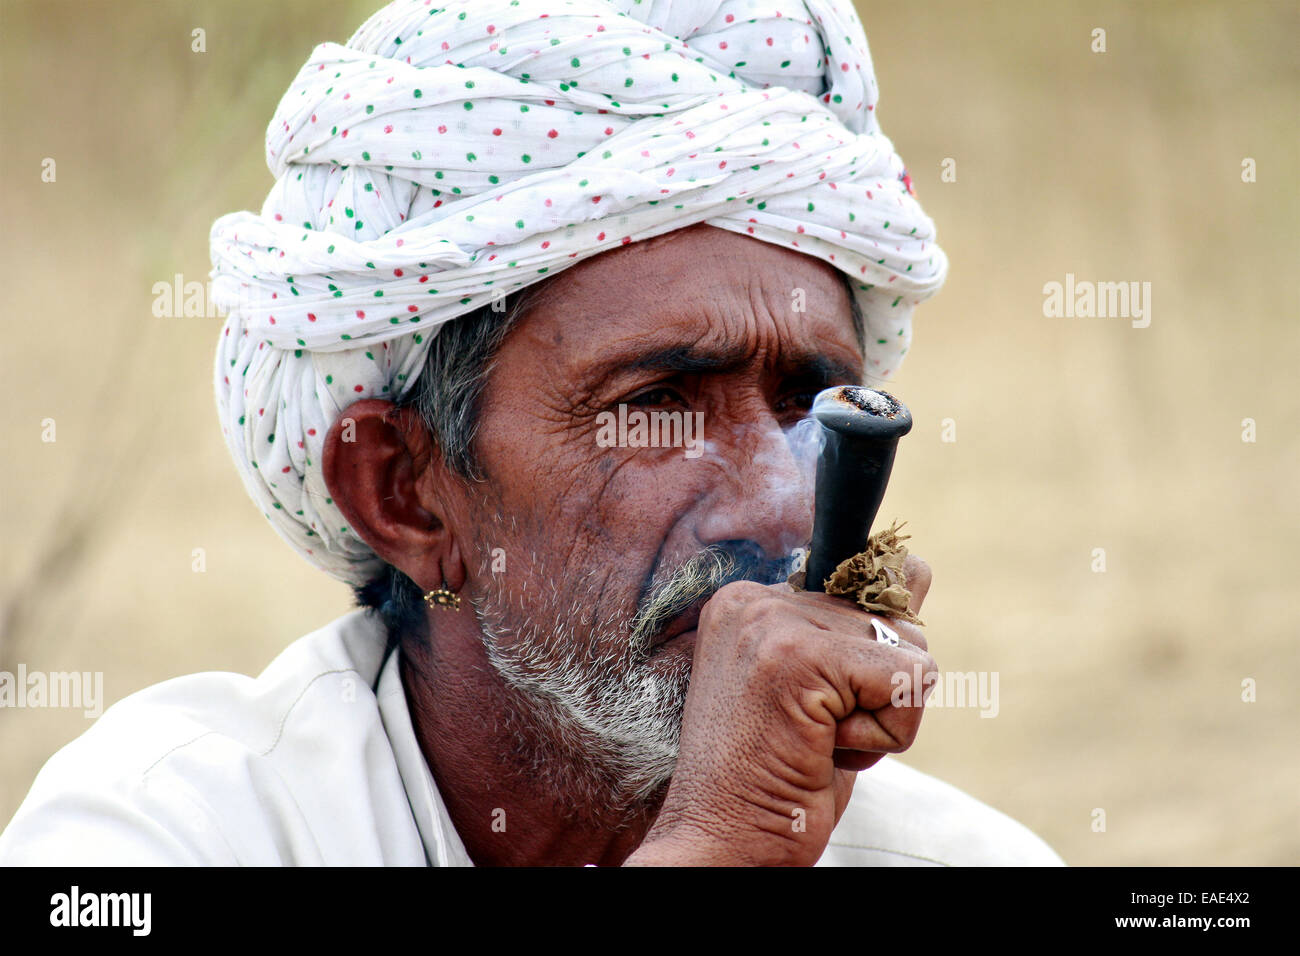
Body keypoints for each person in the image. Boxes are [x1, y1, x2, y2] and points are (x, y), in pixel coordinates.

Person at [0, 0, 1062, 866]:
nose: (780, 503)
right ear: (406, 492)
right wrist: (719, 848)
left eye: (811, 405)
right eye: (655, 406)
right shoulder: (171, 832)